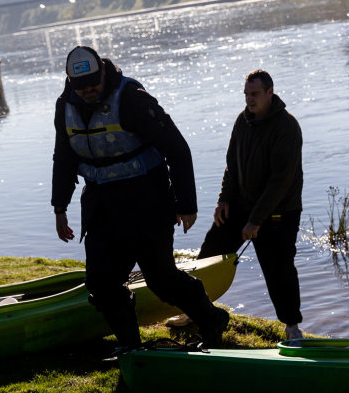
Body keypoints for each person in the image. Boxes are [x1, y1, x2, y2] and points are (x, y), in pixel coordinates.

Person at [51, 46, 229, 353]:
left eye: (92, 82)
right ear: (69, 82)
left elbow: (177, 148)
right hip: (101, 204)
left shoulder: (131, 97)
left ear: (103, 72)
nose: (88, 90)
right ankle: (131, 349)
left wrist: (187, 204)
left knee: (161, 278)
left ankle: (211, 319)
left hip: (148, 199)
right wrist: (59, 207)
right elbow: (64, 157)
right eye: (80, 86)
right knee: (101, 283)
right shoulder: (65, 105)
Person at [197, 69, 304, 341]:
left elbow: (280, 181)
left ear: (270, 92)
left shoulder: (287, 126)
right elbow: (231, 165)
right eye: (246, 95)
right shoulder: (242, 121)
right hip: (241, 206)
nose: (249, 100)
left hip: (280, 211)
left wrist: (256, 220)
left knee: (279, 269)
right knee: (209, 254)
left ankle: (292, 327)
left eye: (255, 94)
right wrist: (223, 199)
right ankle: (194, 309)